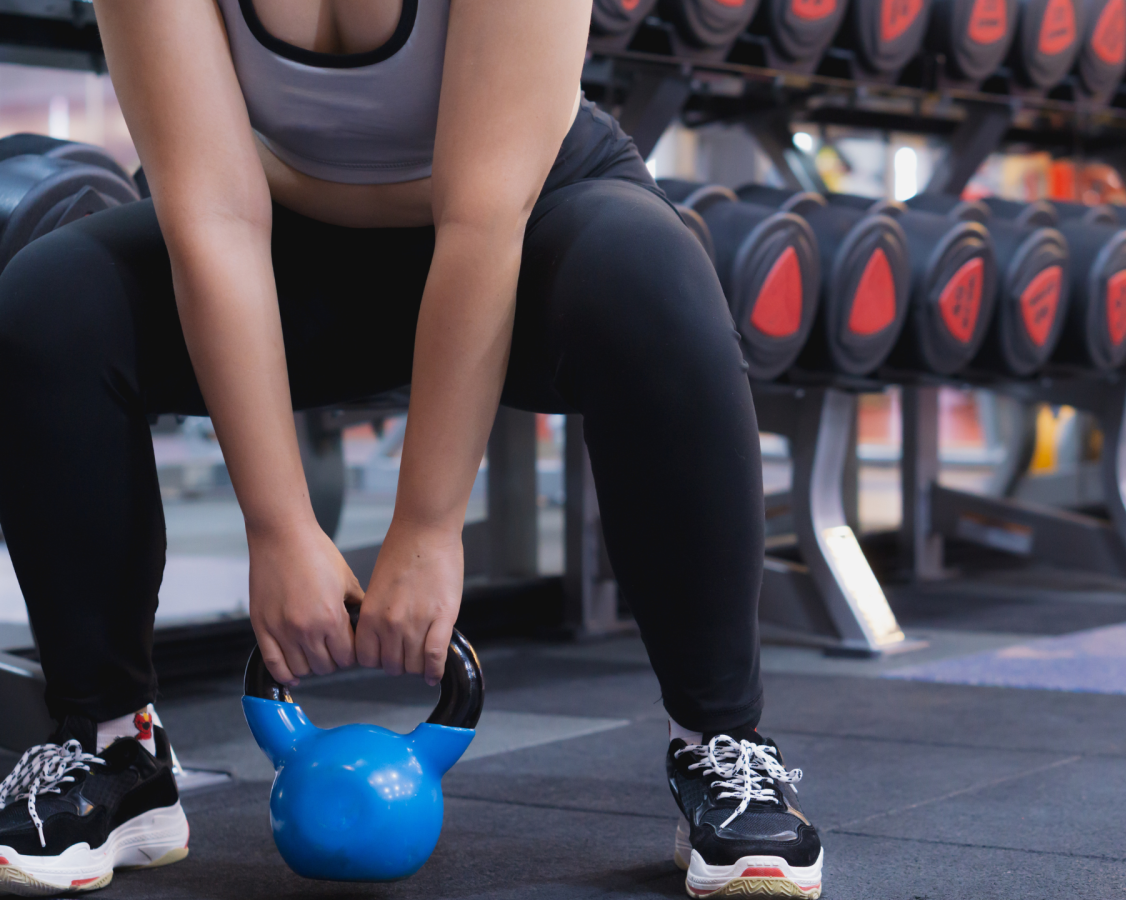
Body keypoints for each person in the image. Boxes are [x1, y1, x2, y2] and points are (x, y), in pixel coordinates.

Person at [0, 1, 823, 896]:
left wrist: (428, 528)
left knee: (652, 275)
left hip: (526, 228)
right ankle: (112, 746)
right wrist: (278, 526)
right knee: (50, 304)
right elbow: (214, 217)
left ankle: (722, 741)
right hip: (286, 240)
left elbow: (481, 217)